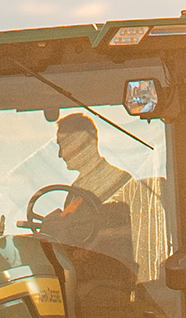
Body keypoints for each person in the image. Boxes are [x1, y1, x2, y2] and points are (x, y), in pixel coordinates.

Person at [50, 111, 170, 277]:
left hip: (117, 280)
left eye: (66, 144)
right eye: (59, 145)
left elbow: (143, 237)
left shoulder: (124, 184)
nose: (61, 154)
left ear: (90, 140)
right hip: (84, 279)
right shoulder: (73, 192)